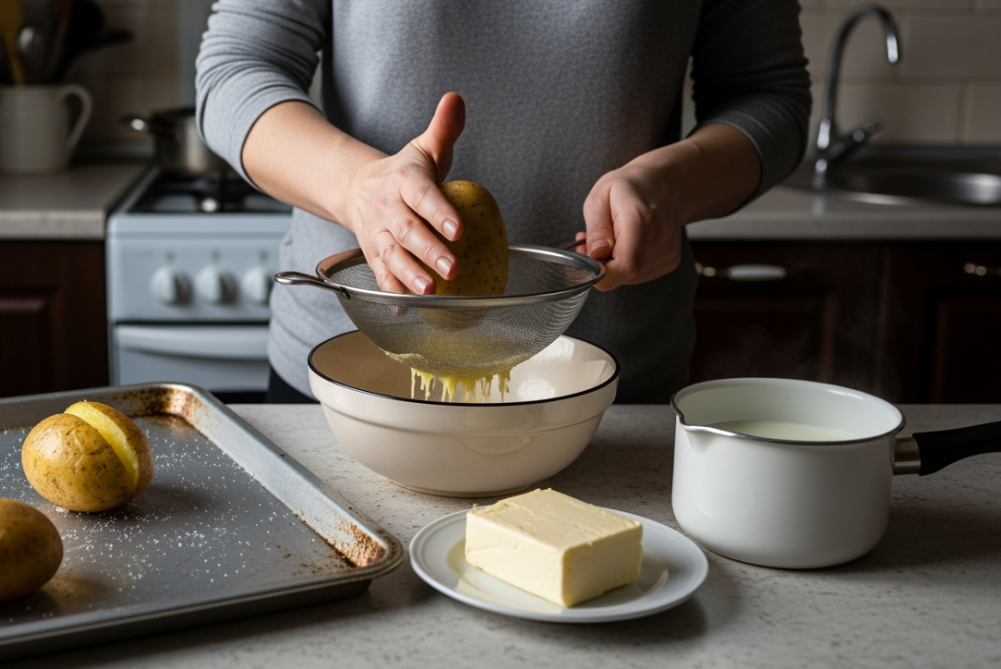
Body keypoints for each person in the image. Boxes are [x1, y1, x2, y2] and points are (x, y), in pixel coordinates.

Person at [196, 1, 811, 404]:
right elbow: (235, 70)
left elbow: (769, 94)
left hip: (605, 385)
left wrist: (676, 183)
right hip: (355, 371)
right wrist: (358, 189)